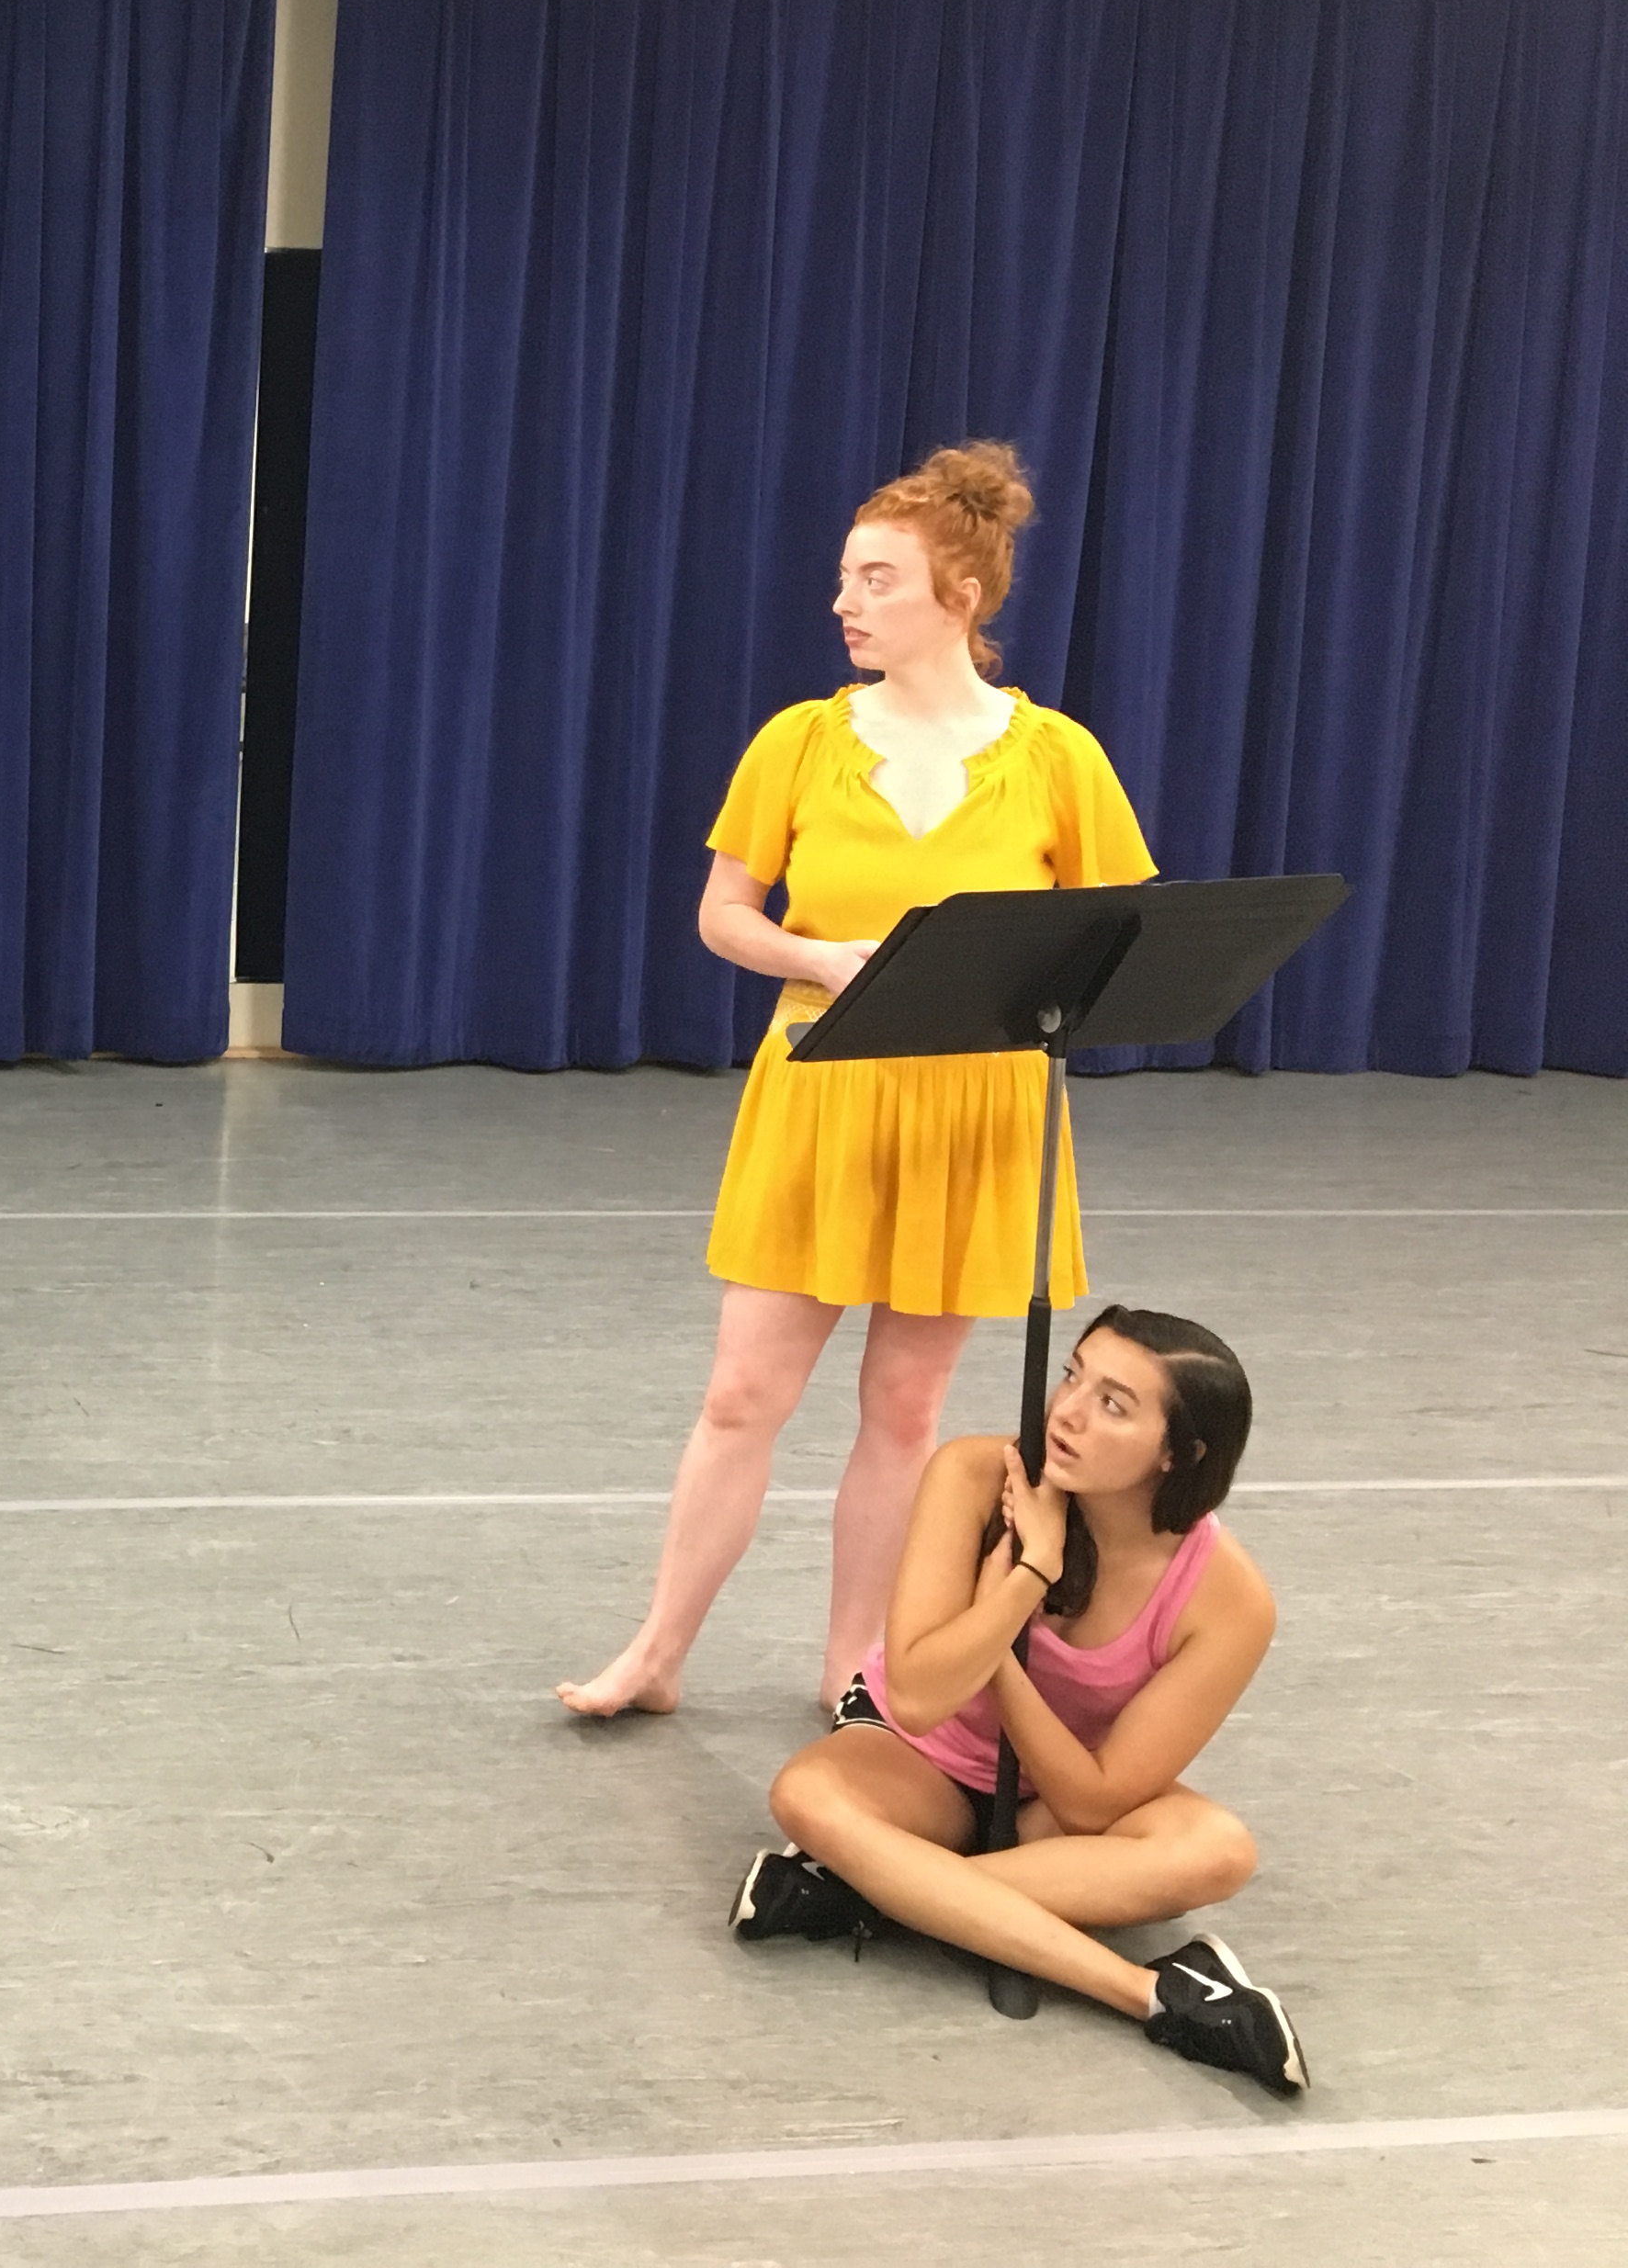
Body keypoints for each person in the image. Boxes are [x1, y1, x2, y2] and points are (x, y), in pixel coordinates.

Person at [560, 443, 1154, 1719]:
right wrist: (818, 957)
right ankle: (658, 1651)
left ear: (960, 596)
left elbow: (1122, 930)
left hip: (973, 1115)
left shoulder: (1058, 757)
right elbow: (724, 914)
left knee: (904, 1407)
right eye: (846, 577)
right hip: (823, 1093)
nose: (845, 601)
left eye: (877, 579)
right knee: (743, 1394)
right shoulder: (800, 740)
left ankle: (852, 1670)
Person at [736, 1305, 1303, 2093]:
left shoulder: (1230, 1601)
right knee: (807, 1796)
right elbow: (920, 1696)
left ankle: (876, 1886)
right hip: (912, 1758)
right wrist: (1028, 1574)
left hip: (1054, 1800)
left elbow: (1091, 1803)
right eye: (1073, 1376)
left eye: (1113, 1405)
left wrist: (1001, 1641)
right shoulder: (973, 1475)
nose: (1067, 1412)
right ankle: (1154, 1993)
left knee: (1219, 1850)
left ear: (1179, 1453)